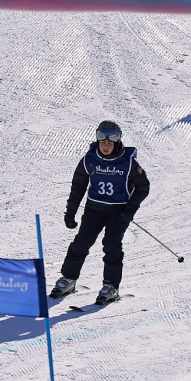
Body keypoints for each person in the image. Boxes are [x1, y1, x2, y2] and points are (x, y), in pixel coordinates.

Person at [50, 120, 150, 304]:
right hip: (94, 209)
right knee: (81, 243)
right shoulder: (90, 159)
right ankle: (69, 280)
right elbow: (78, 186)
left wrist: (129, 210)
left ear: (117, 142)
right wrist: (70, 212)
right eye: (103, 143)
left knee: (111, 244)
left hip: (118, 212)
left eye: (109, 143)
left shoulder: (128, 162)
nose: (105, 147)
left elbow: (143, 186)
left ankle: (111, 286)